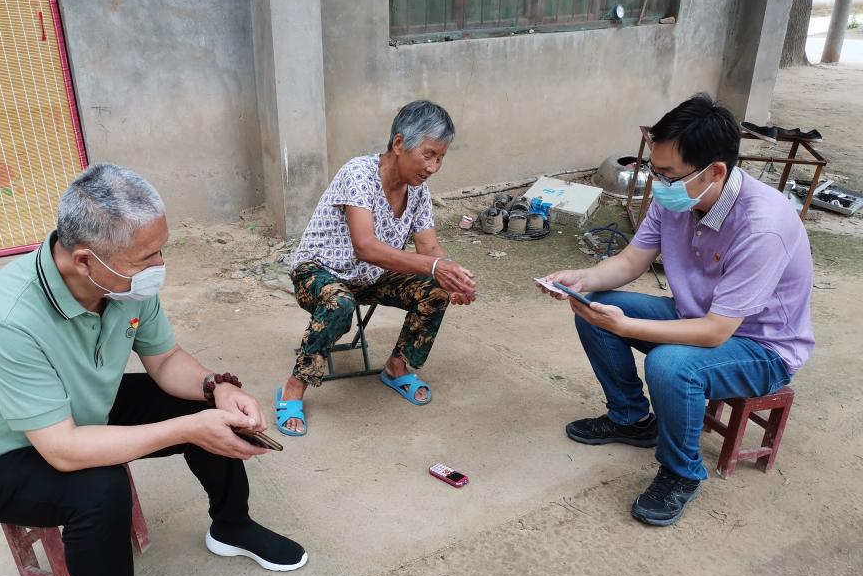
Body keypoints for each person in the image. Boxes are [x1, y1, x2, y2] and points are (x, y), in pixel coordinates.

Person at [0, 164, 307, 576]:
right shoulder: (6, 318)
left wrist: (217, 389)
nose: (159, 268)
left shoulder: (123, 282)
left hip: (81, 412)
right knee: (98, 486)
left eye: (161, 251)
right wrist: (187, 430)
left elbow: (166, 360)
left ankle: (232, 526)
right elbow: (62, 449)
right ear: (85, 260)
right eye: (145, 258)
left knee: (204, 406)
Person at [539, 93, 814, 526]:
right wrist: (582, 279)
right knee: (593, 306)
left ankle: (681, 472)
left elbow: (716, 332)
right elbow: (632, 260)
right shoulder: (681, 196)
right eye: (655, 170)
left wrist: (628, 325)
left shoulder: (763, 225)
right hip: (696, 316)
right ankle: (631, 420)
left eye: (667, 174)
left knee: (670, 365)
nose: (658, 182)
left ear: (715, 171)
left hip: (761, 347)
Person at [276, 100, 476, 436]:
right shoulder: (358, 174)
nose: (433, 167)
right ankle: (293, 388)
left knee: (436, 289)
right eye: (428, 154)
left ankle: (397, 367)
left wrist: (453, 277)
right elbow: (365, 247)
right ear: (399, 143)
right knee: (340, 303)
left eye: (440, 158)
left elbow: (429, 248)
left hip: (370, 278)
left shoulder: (418, 191)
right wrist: (435, 265)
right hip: (318, 272)